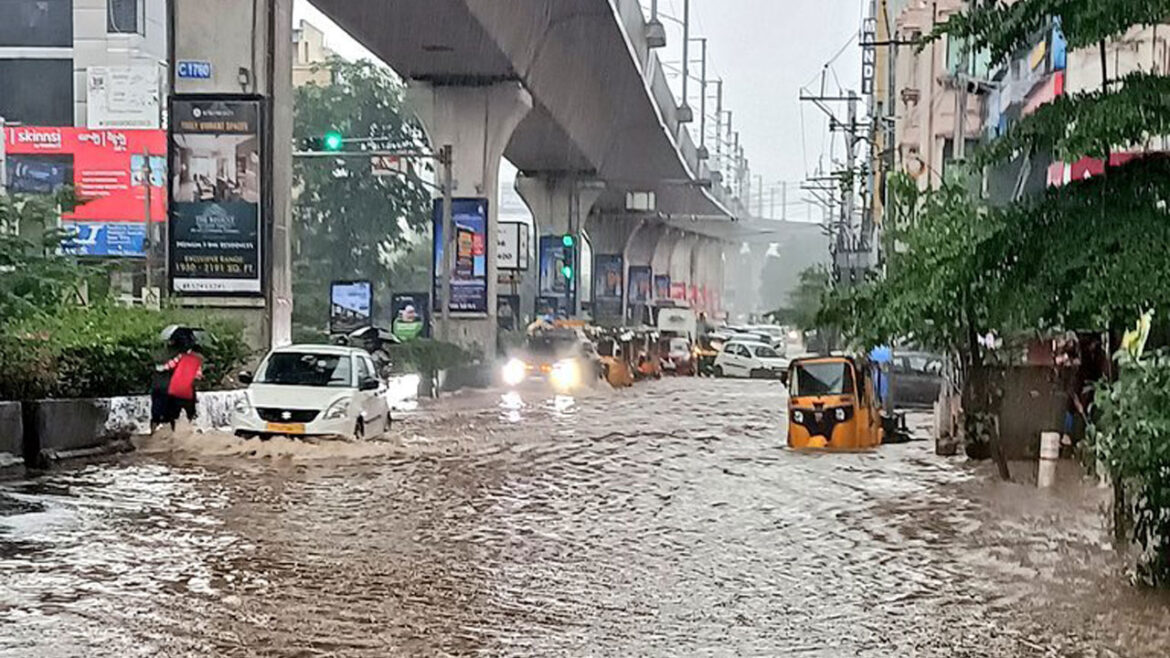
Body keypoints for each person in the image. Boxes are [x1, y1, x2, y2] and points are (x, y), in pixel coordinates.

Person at [162, 331, 204, 429]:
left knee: (173, 412)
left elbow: (167, 367)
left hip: (174, 389)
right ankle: (190, 425)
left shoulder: (181, 357)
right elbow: (198, 376)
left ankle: (172, 429)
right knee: (190, 412)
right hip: (187, 392)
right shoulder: (197, 362)